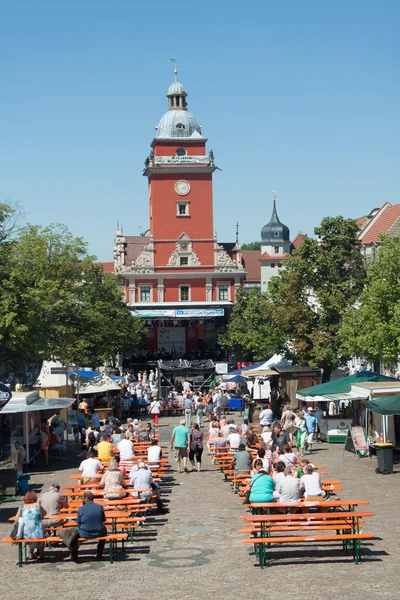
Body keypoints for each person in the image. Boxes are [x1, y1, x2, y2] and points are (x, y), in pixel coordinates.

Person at [72, 491, 107, 561]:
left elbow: (78, 523)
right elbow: (103, 521)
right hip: (99, 532)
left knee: (74, 531)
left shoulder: (81, 508)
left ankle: (74, 553)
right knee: (104, 529)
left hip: (85, 533)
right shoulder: (99, 507)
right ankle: (99, 552)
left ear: (86, 498)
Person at [15, 491, 46, 560]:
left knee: (29, 531)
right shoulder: (38, 505)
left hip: (26, 534)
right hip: (39, 534)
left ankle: (30, 554)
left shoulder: (22, 507)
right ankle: (41, 554)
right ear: (35, 498)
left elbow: (16, 519)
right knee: (43, 533)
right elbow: (44, 513)